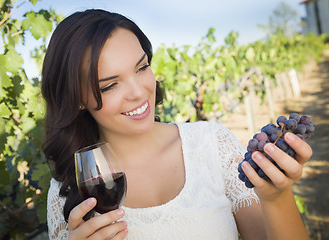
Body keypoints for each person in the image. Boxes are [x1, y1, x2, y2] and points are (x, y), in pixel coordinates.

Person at [42, 9, 312, 240]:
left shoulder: (212, 144)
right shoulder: (65, 194)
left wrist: (276, 197)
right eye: (110, 85)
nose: (139, 91)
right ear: (76, 98)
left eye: (141, 67)